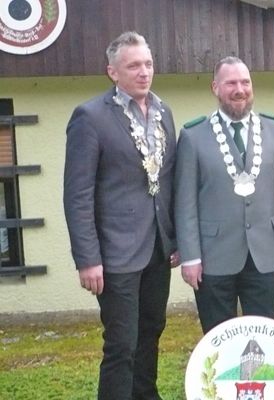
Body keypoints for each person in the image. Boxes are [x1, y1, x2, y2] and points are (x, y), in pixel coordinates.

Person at [63, 31, 179, 400]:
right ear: (112, 72)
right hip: (115, 256)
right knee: (121, 343)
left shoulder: (164, 112)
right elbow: (77, 195)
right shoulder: (90, 117)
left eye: (148, 63)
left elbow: (168, 180)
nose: (143, 72)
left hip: (158, 249)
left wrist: (173, 238)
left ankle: (146, 395)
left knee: (151, 332)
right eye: (133, 66)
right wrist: (87, 259)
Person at [175, 56, 274, 334]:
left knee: (265, 333)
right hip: (213, 256)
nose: (239, 89)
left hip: (264, 253)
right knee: (218, 337)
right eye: (231, 83)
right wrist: (190, 256)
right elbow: (185, 202)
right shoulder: (193, 135)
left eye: (245, 82)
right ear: (215, 87)